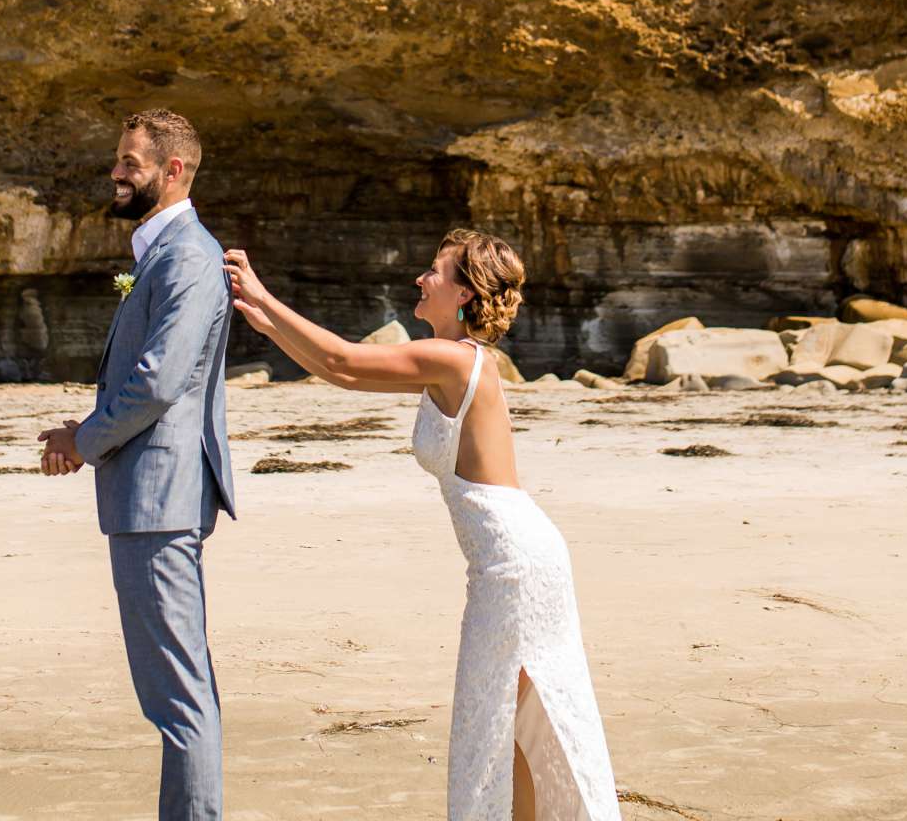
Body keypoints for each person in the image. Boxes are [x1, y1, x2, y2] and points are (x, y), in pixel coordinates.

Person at [223, 231, 620, 820]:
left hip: (513, 564)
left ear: (463, 293)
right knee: (517, 725)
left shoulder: (454, 359)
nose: (420, 279)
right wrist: (268, 324)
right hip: (515, 556)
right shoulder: (455, 359)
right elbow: (342, 374)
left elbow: (345, 361)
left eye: (434, 272)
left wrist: (264, 295)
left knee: (506, 723)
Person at [41, 109, 237, 821]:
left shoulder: (187, 255)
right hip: (148, 497)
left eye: (131, 162)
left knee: (178, 697)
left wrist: (84, 441)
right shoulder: (162, 251)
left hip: (159, 499)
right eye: (119, 160)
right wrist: (82, 429)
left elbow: (158, 382)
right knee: (174, 692)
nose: (117, 173)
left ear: (173, 169)